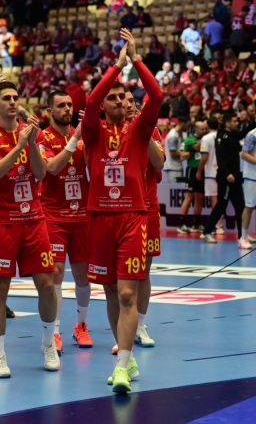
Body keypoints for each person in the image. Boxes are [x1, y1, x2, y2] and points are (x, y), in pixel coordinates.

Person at [81, 29, 162, 393]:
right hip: (99, 218)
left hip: (133, 218)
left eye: (121, 97)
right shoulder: (92, 132)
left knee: (128, 293)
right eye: (111, 98)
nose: (116, 101)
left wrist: (137, 59)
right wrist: (116, 66)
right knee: (111, 293)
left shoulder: (140, 130)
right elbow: (91, 99)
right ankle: (124, 359)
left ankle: (121, 366)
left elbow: (157, 95)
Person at [0, 80, 58, 378]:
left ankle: (48, 344)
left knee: (47, 285)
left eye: (15, 97)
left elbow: (40, 173)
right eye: (6, 98)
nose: (12, 102)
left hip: (34, 219)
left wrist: (31, 142)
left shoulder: (30, 131)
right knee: (0, 289)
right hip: (2, 221)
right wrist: (18, 147)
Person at [40, 91, 92, 356]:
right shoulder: (43, 137)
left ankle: (81, 326)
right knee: (56, 273)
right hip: (54, 215)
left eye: (70, 105)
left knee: (83, 275)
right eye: (61, 105)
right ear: (50, 111)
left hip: (82, 214)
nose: (67, 109)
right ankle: (55, 331)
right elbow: (52, 167)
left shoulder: (83, 136)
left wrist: (90, 135)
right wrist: (76, 138)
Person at [124, 90, 164, 352]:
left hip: (148, 209)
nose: (128, 105)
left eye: (132, 101)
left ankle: (140, 326)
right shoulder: (110, 131)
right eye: (123, 100)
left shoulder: (153, 131)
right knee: (120, 276)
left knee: (143, 272)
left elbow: (159, 164)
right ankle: (122, 329)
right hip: (119, 210)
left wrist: (145, 129)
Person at [201, 114, 246, 244]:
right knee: (221, 205)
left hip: (236, 177)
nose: (237, 123)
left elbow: (245, 132)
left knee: (240, 206)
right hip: (226, 178)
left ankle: (242, 235)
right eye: (234, 121)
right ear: (227, 123)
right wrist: (227, 174)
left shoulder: (234, 135)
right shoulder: (221, 137)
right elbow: (220, 158)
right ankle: (207, 232)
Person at [177, 121, 208, 234]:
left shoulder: (207, 139)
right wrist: (194, 149)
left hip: (203, 170)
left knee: (200, 197)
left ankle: (196, 224)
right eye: (202, 129)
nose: (204, 131)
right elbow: (182, 156)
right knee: (189, 196)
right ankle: (181, 224)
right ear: (196, 129)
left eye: (205, 129)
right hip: (192, 170)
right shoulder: (188, 140)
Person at [197, 118, 226, 236]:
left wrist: (199, 171)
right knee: (222, 199)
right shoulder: (223, 136)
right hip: (223, 171)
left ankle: (218, 225)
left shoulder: (206, 138)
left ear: (208, 126)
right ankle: (219, 225)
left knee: (214, 199)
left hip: (211, 172)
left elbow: (204, 157)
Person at [239, 124, 256, 247]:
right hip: (252, 176)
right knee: (249, 206)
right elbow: (244, 154)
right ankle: (243, 237)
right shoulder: (252, 135)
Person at [164, 118, 187, 182]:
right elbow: (173, 154)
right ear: (183, 124)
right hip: (174, 168)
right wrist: (187, 153)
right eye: (188, 125)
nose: (188, 127)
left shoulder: (177, 134)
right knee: (175, 187)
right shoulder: (173, 136)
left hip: (175, 167)